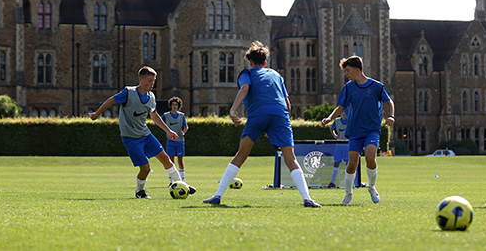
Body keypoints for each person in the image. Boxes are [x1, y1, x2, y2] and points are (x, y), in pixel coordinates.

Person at [203, 41, 321, 208]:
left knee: (241, 154)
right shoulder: (277, 75)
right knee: (291, 159)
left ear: (250, 62)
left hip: (258, 113)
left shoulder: (247, 73)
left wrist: (232, 111)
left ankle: (217, 195)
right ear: (265, 62)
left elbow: (244, 89)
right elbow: (288, 105)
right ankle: (307, 198)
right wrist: (273, 127)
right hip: (280, 114)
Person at [89, 66, 195, 199]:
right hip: (130, 138)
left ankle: (182, 184)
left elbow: (154, 115)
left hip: (145, 135)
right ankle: (140, 192)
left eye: (154, 81)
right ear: (141, 79)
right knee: (145, 168)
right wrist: (96, 114)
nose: (152, 84)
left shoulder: (151, 96)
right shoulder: (128, 92)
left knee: (165, 158)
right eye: (150, 81)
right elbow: (111, 100)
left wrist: (169, 131)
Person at [322, 55, 395, 205]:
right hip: (354, 131)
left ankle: (372, 187)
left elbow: (389, 102)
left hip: (372, 130)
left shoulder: (376, 86)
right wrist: (329, 118)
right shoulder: (348, 88)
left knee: (370, 157)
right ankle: (348, 194)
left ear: (357, 70)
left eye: (347, 71)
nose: (346, 74)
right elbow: (340, 107)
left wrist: (391, 116)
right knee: (352, 164)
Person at [162, 96, 188, 184]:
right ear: (170, 105)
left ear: (178, 106)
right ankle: (171, 181)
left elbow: (186, 126)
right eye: (173, 104)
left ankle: (182, 181)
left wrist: (183, 132)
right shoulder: (166, 115)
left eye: (176, 105)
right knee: (170, 161)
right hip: (170, 141)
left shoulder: (181, 116)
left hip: (180, 141)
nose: (174, 106)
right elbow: (160, 123)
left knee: (180, 161)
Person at [327, 113, 349, 189]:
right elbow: (331, 128)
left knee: (348, 164)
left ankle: (350, 183)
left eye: (345, 112)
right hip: (339, 145)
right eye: (342, 112)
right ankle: (332, 182)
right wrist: (335, 136)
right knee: (336, 163)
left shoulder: (351, 120)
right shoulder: (337, 121)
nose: (343, 114)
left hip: (347, 145)